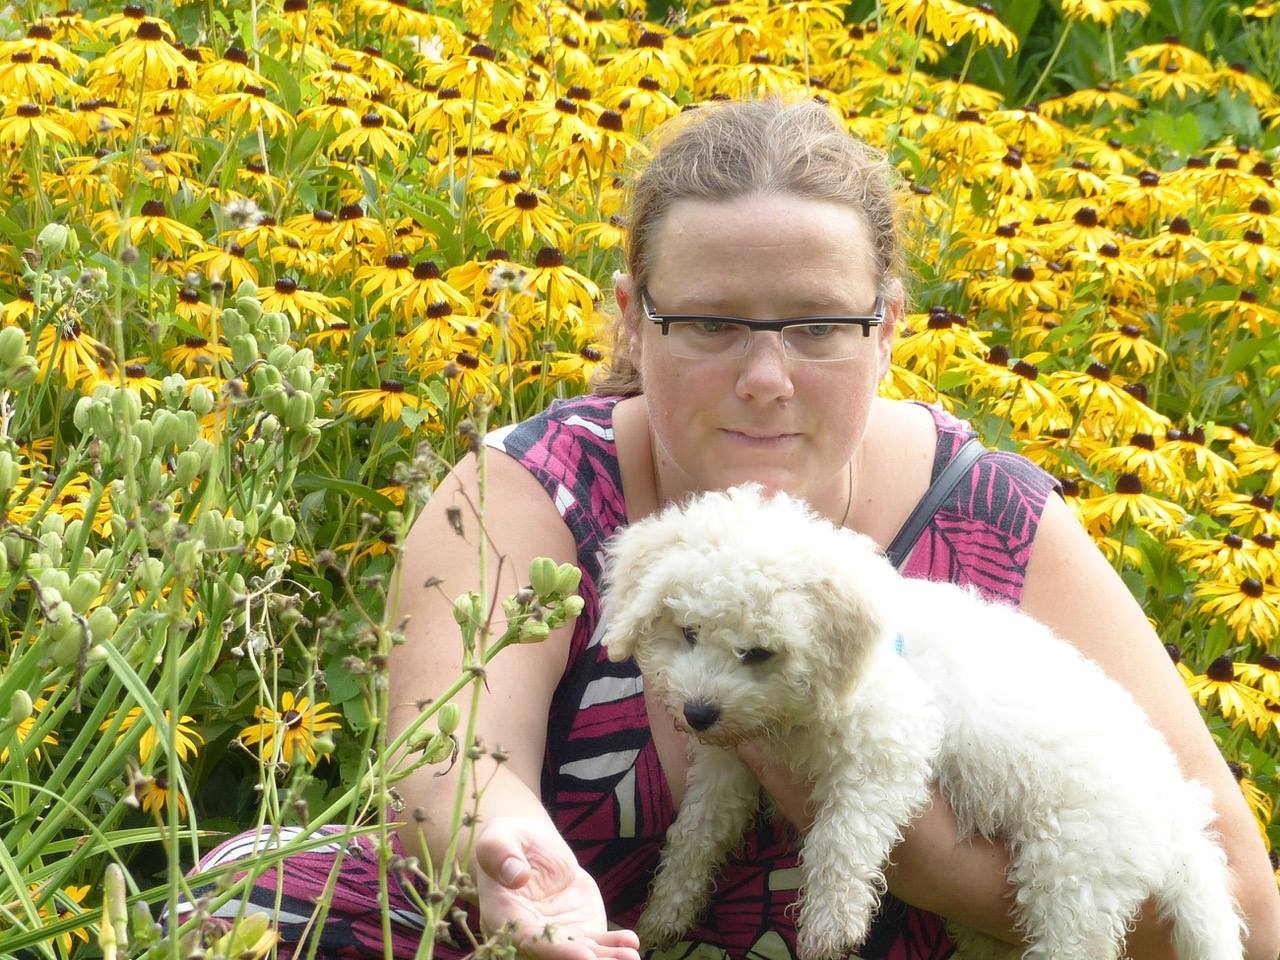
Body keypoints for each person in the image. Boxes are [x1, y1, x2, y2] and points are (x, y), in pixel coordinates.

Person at [193, 98, 1280, 959]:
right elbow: (449, 760)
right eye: (709, 323)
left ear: (887, 329)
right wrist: (509, 861)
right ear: (631, 315)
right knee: (253, 904)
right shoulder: (533, 492)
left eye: (817, 327)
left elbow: (1244, 912)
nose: (764, 379)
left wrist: (914, 858)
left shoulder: (993, 521)